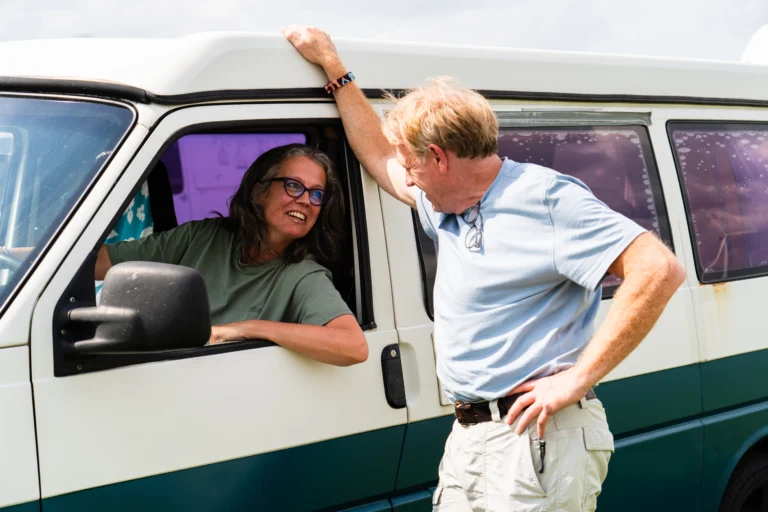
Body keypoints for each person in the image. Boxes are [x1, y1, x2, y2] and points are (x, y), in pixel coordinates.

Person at [283, 26, 686, 510]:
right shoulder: (446, 205)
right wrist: (335, 71)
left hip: (536, 436)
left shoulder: (545, 197)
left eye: (413, 166)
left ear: (438, 158)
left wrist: (578, 377)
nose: (407, 177)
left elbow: (659, 269)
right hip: (472, 437)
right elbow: (379, 155)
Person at [96, 143, 368, 367]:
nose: (306, 200)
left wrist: (250, 329)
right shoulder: (201, 237)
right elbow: (95, 264)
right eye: (293, 186)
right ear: (260, 191)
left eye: (317, 193)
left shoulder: (303, 274)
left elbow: (354, 346)